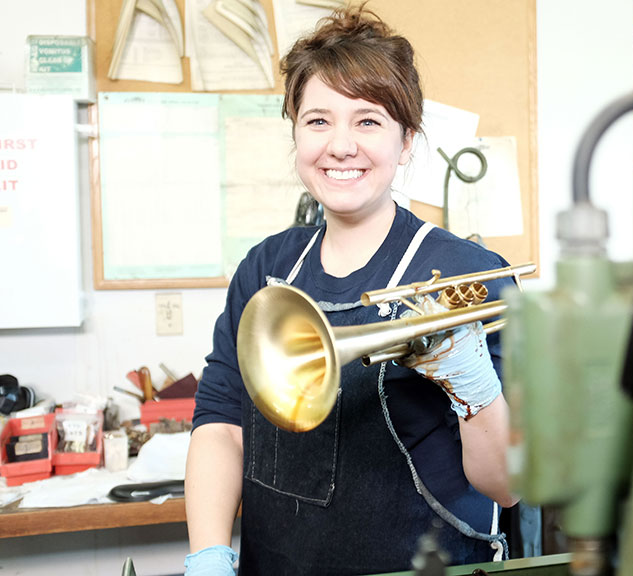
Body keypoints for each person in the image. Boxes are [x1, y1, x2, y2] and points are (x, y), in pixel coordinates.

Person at [183, 4, 519, 574]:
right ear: (295, 131)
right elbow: (221, 421)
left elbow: (509, 487)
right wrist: (210, 553)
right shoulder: (267, 269)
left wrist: (474, 390)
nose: (340, 145)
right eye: (318, 120)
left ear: (407, 139)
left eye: (368, 121)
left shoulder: (470, 275)